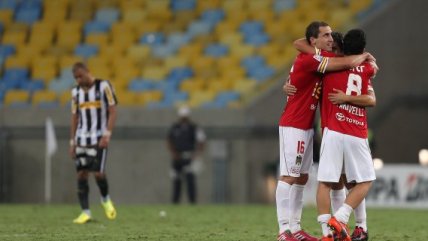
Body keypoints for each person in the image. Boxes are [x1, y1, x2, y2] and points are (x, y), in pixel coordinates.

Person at [276, 21, 374, 241]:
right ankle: (284, 231)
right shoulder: (317, 60)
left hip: (309, 126)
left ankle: (298, 228)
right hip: (294, 124)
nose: (330, 39)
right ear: (314, 40)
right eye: (326, 35)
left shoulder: (324, 59)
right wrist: (366, 57)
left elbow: (300, 44)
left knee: (303, 178)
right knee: (290, 176)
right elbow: (299, 43)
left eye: (332, 36)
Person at [316, 29, 377, 241]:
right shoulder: (367, 68)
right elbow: (371, 99)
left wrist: (344, 98)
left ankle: (341, 229)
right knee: (361, 181)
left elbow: (371, 100)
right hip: (355, 132)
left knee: (332, 182)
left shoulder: (328, 66)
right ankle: (341, 220)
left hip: (333, 131)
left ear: (341, 47)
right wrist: (368, 59)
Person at [69, 62, 118, 224]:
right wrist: (72, 141)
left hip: (98, 138)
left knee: (98, 173)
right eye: (75, 77)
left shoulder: (104, 86)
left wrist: (107, 134)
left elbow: (112, 110)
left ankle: (105, 199)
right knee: (81, 174)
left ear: (88, 72)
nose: (78, 80)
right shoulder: (75, 92)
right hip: (82, 139)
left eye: (80, 76)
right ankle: (85, 212)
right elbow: (75, 117)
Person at [167, 106, 206, 204]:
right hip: (177, 158)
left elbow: (201, 141)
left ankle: (192, 202)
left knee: (190, 180)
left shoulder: (194, 128)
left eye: (185, 116)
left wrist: (197, 154)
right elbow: (169, 140)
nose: (184, 119)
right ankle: (175, 203)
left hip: (189, 157)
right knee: (176, 181)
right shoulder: (175, 127)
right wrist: (173, 153)